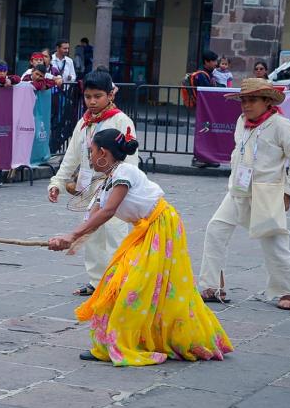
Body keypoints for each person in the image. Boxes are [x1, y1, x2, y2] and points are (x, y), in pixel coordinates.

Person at [48, 128, 233, 366]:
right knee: (119, 280)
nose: (90, 157)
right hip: (146, 230)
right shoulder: (106, 181)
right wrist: (68, 239)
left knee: (132, 287)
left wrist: (71, 235)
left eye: (91, 151)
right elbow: (92, 218)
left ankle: (122, 342)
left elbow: (108, 211)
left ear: (103, 152)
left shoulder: (124, 172)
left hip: (161, 227)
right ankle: (114, 341)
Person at [198, 79, 290, 310]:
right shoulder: (242, 122)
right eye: (244, 100)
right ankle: (213, 284)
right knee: (216, 229)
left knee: (274, 240)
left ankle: (287, 291)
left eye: (252, 100)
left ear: (267, 102)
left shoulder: (281, 125)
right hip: (238, 188)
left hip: (267, 191)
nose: (246, 105)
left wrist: (288, 192)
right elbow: (239, 151)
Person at [48, 71, 137, 296]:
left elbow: (130, 160)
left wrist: (121, 188)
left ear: (110, 95)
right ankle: (98, 283)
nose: (92, 101)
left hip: (114, 189)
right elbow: (71, 156)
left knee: (115, 235)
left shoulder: (121, 120)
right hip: (89, 190)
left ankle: (121, 283)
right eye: (88, 97)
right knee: (93, 237)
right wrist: (57, 182)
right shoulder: (84, 123)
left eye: (98, 96)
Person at [191, 50, 219, 169]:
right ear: (206, 62)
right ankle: (198, 158)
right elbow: (207, 93)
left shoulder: (208, 74)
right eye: (214, 61)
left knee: (207, 133)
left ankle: (207, 158)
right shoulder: (202, 75)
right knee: (203, 133)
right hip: (203, 111)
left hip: (207, 110)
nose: (216, 63)